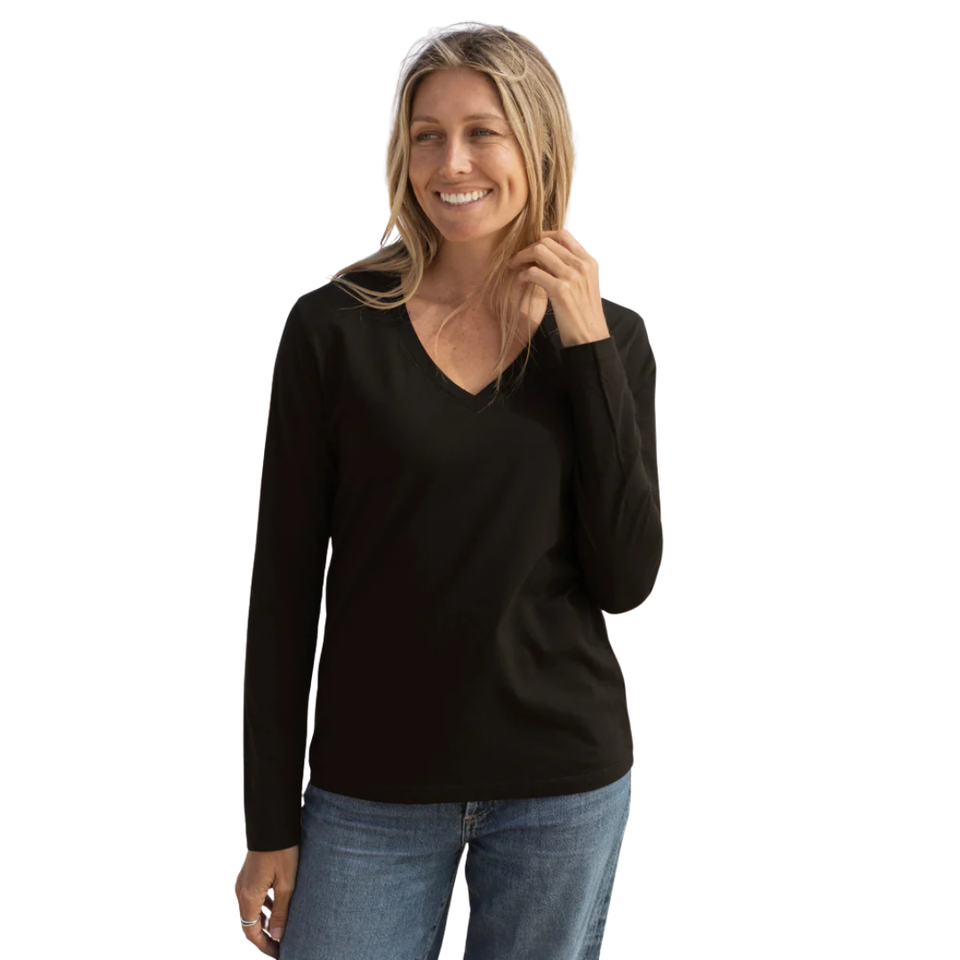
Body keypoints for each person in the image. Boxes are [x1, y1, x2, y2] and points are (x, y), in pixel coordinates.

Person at [234, 21, 662, 960]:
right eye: (427, 135)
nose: (451, 162)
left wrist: (587, 348)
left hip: (562, 786)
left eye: (482, 132)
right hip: (370, 793)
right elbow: (283, 588)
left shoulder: (610, 340)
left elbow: (626, 577)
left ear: (536, 144)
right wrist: (270, 821)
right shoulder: (333, 330)